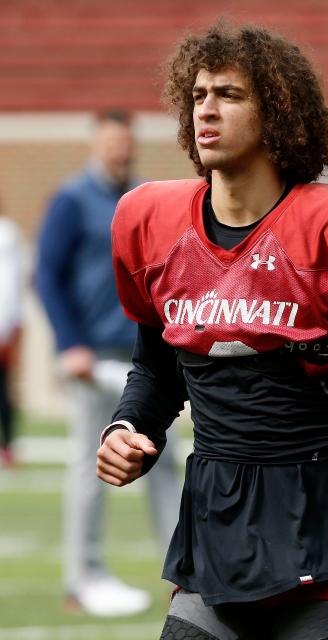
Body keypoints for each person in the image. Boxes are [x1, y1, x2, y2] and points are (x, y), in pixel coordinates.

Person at [95, 22, 328, 640]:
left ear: (278, 113)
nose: (207, 110)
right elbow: (156, 371)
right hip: (216, 531)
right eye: (197, 95)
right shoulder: (151, 223)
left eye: (230, 94)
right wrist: (129, 426)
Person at [35, 109, 181, 617]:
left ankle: (181, 573)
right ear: (96, 144)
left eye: (125, 141)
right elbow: (48, 275)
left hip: (147, 355)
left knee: (165, 458)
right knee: (89, 462)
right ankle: (81, 575)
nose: (119, 149)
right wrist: (68, 343)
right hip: (94, 357)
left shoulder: (145, 199)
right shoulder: (72, 200)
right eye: (110, 141)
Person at [0, 208, 21, 469]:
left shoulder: (6, 234)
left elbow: (9, 287)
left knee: (3, 390)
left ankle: (8, 445)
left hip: (3, 326)